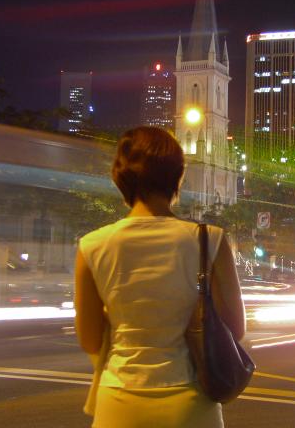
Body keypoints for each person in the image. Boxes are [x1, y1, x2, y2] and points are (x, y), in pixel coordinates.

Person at [74, 126, 246, 428]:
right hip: (191, 403)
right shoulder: (211, 241)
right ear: (178, 177)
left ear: (120, 178)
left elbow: (90, 339)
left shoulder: (92, 246)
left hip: (120, 401)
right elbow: (235, 328)